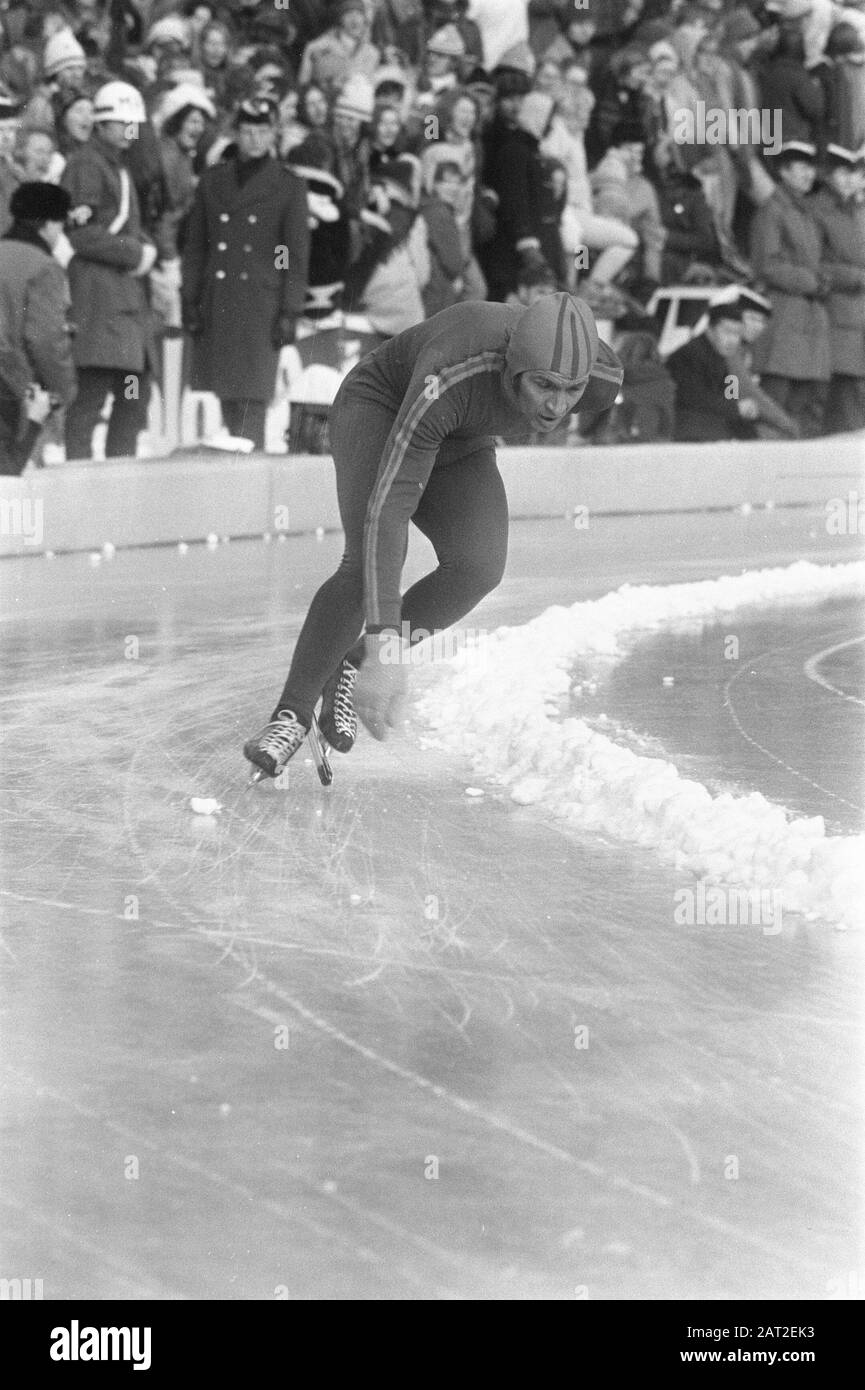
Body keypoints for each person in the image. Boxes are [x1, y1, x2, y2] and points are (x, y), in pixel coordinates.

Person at [242, 292, 624, 777]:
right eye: (544, 385)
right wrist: (388, 644)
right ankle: (290, 715)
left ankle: (350, 665)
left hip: (461, 434)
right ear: (511, 369)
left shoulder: (601, 379)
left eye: (572, 390)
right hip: (381, 409)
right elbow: (390, 510)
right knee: (367, 563)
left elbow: (581, 389)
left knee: (479, 566)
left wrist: (372, 656)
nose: (556, 405)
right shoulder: (454, 371)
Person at [181, 97, 310, 449]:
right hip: (218, 300)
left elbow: (292, 254)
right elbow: (197, 246)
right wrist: (190, 298)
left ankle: (248, 485)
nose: (254, 139)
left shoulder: (288, 185)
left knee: (252, 402)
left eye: (262, 131)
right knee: (221, 400)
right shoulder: (213, 181)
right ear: (236, 134)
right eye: (247, 131)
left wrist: (289, 309)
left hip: (259, 305)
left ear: (274, 134)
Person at [61, 80, 157, 460]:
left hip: (125, 319)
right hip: (101, 311)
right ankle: (78, 494)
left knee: (132, 400)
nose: (131, 130)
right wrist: (135, 254)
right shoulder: (87, 164)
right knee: (89, 403)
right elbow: (81, 232)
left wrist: (147, 249)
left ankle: (120, 488)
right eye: (122, 122)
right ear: (101, 123)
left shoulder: (118, 165)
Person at [749, 140, 832, 437]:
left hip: (806, 321)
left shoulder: (806, 213)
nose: (808, 175)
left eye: (811, 169)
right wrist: (812, 282)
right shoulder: (773, 211)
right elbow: (766, 265)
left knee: (803, 406)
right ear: (783, 172)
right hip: (784, 318)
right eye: (801, 169)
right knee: (777, 402)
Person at [0, 181, 76, 473]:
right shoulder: (44, 267)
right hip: (8, 384)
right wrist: (63, 391)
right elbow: (45, 340)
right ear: (50, 225)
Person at [810, 144, 865, 432]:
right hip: (837, 316)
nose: (849, 179)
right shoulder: (819, 210)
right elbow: (813, 264)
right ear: (830, 175)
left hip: (857, 317)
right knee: (845, 399)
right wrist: (856, 277)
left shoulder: (856, 210)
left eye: (854, 173)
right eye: (842, 172)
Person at [666, 299, 760, 441]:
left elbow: (731, 396)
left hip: (715, 431)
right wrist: (736, 408)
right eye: (727, 332)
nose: (733, 340)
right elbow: (692, 397)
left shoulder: (727, 360)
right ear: (710, 330)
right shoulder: (689, 355)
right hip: (689, 433)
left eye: (737, 334)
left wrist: (744, 411)